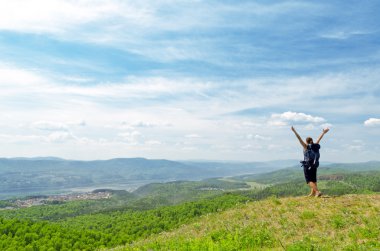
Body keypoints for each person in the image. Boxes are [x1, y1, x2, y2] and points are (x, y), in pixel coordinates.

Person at [291, 126, 330, 197]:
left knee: (309, 181)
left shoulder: (305, 146)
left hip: (307, 165)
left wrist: (294, 131)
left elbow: (299, 138)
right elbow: (319, 138)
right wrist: (323, 132)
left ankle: (317, 192)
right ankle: (313, 193)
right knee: (314, 179)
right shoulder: (314, 146)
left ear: (306, 141)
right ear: (312, 140)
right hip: (314, 165)